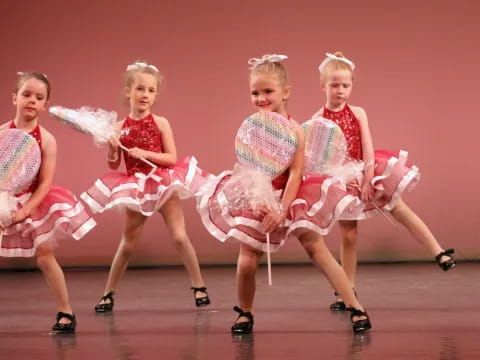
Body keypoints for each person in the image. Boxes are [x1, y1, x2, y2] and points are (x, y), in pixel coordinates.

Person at [197, 55, 371, 334]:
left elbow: (296, 173)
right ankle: (245, 312)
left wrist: (281, 210)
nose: (261, 98)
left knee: (317, 249)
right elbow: (249, 168)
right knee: (247, 259)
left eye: (268, 91)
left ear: (285, 92)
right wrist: (263, 202)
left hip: (291, 194)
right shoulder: (251, 128)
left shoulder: (296, 131)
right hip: (260, 194)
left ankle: (355, 305)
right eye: (255, 92)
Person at [313, 52, 456, 311]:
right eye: (335, 85)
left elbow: (367, 146)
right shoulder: (317, 120)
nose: (341, 90)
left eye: (346, 85)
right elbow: (320, 159)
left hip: (366, 171)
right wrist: (342, 180)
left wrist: (368, 179)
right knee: (349, 235)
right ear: (323, 85)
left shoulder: (358, 113)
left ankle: (439, 252)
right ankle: (346, 290)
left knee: (400, 208)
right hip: (341, 180)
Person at [81, 61, 210, 312]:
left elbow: (171, 158)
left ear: (156, 95)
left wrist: (145, 153)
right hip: (136, 188)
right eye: (140, 88)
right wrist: (112, 148)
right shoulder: (118, 128)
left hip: (162, 182)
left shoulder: (161, 122)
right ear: (128, 91)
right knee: (128, 244)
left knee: (180, 237)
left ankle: (199, 285)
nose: (145, 95)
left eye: (151, 90)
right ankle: (108, 293)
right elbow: (113, 165)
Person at [0, 72, 97, 333]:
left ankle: (66, 311)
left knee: (44, 256)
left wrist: (26, 212)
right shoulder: (1, 134)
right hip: (3, 197)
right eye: (26, 94)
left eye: (39, 97)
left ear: (45, 104)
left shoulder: (47, 140)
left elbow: (44, 183)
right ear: (14, 98)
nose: (32, 100)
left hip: (33, 201)